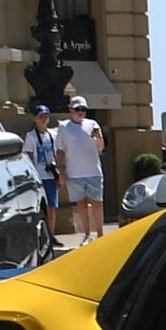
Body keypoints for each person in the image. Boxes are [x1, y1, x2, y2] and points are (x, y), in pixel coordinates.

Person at [52, 97, 106, 243]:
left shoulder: (92, 124)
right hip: (74, 172)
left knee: (97, 202)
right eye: (77, 109)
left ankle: (100, 235)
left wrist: (98, 137)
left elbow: (100, 148)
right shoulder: (64, 127)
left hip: (93, 171)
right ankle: (87, 234)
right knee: (81, 204)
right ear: (71, 110)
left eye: (83, 109)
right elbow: (60, 150)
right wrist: (61, 170)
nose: (80, 112)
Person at [21, 104, 61, 240]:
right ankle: (41, 236)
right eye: (41, 117)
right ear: (35, 119)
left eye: (45, 117)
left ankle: (51, 235)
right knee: (40, 207)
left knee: (52, 207)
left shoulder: (53, 135)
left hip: (51, 175)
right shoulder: (31, 136)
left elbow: (58, 154)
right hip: (39, 176)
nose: (43, 119)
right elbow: (29, 156)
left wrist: (59, 174)